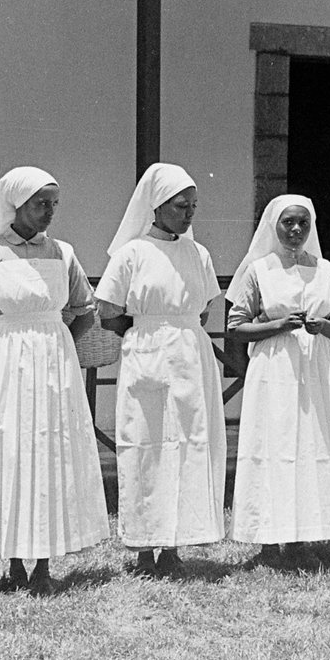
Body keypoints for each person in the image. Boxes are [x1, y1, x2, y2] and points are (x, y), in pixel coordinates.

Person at [0, 166, 109, 595]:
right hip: (7, 366)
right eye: (41, 204)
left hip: (54, 364)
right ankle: (12, 561)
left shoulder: (63, 253)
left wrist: (60, 344)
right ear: (16, 205)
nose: (49, 213)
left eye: (54, 204)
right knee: (12, 450)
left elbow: (86, 309)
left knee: (50, 449)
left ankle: (43, 561)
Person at [95, 163, 226, 578]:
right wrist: (145, 331)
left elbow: (203, 308)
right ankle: (142, 545)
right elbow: (108, 311)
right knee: (146, 446)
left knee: (187, 445)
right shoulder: (131, 253)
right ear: (157, 207)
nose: (188, 214)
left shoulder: (197, 253)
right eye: (180, 206)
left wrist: (179, 331)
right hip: (146, 354)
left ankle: (174, 543)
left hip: (190, 356)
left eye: (193, 206)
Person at [226, 195, 330, 567]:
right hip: (275, 366)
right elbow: (236, 326)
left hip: (316, 367)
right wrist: (276, 325)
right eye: (288, 223)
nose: (296, 231)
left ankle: (300, 537)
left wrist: (325, 326)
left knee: (311, 445)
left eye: (303, 224)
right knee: (274, 445)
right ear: (273, 226)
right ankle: (268, 539)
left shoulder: (325, 270)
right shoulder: (259, 270)